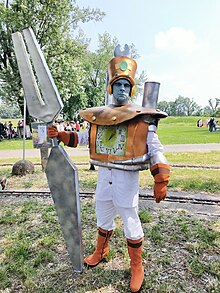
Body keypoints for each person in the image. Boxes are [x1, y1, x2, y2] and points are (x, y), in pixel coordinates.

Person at [48, 45, 170, 293]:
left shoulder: (141, 116)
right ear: (111, 87)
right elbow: (86, 138)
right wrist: (62, 135)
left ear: (131, 88)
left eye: (126, 85)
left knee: (130, 220)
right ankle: (101, 250)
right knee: (102, 214)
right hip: (104, 177)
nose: (122, 89)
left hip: (126, 180)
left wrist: (161, 177)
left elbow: (154, 146)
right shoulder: (100, 116)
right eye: (118, 85)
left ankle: (136, 265)